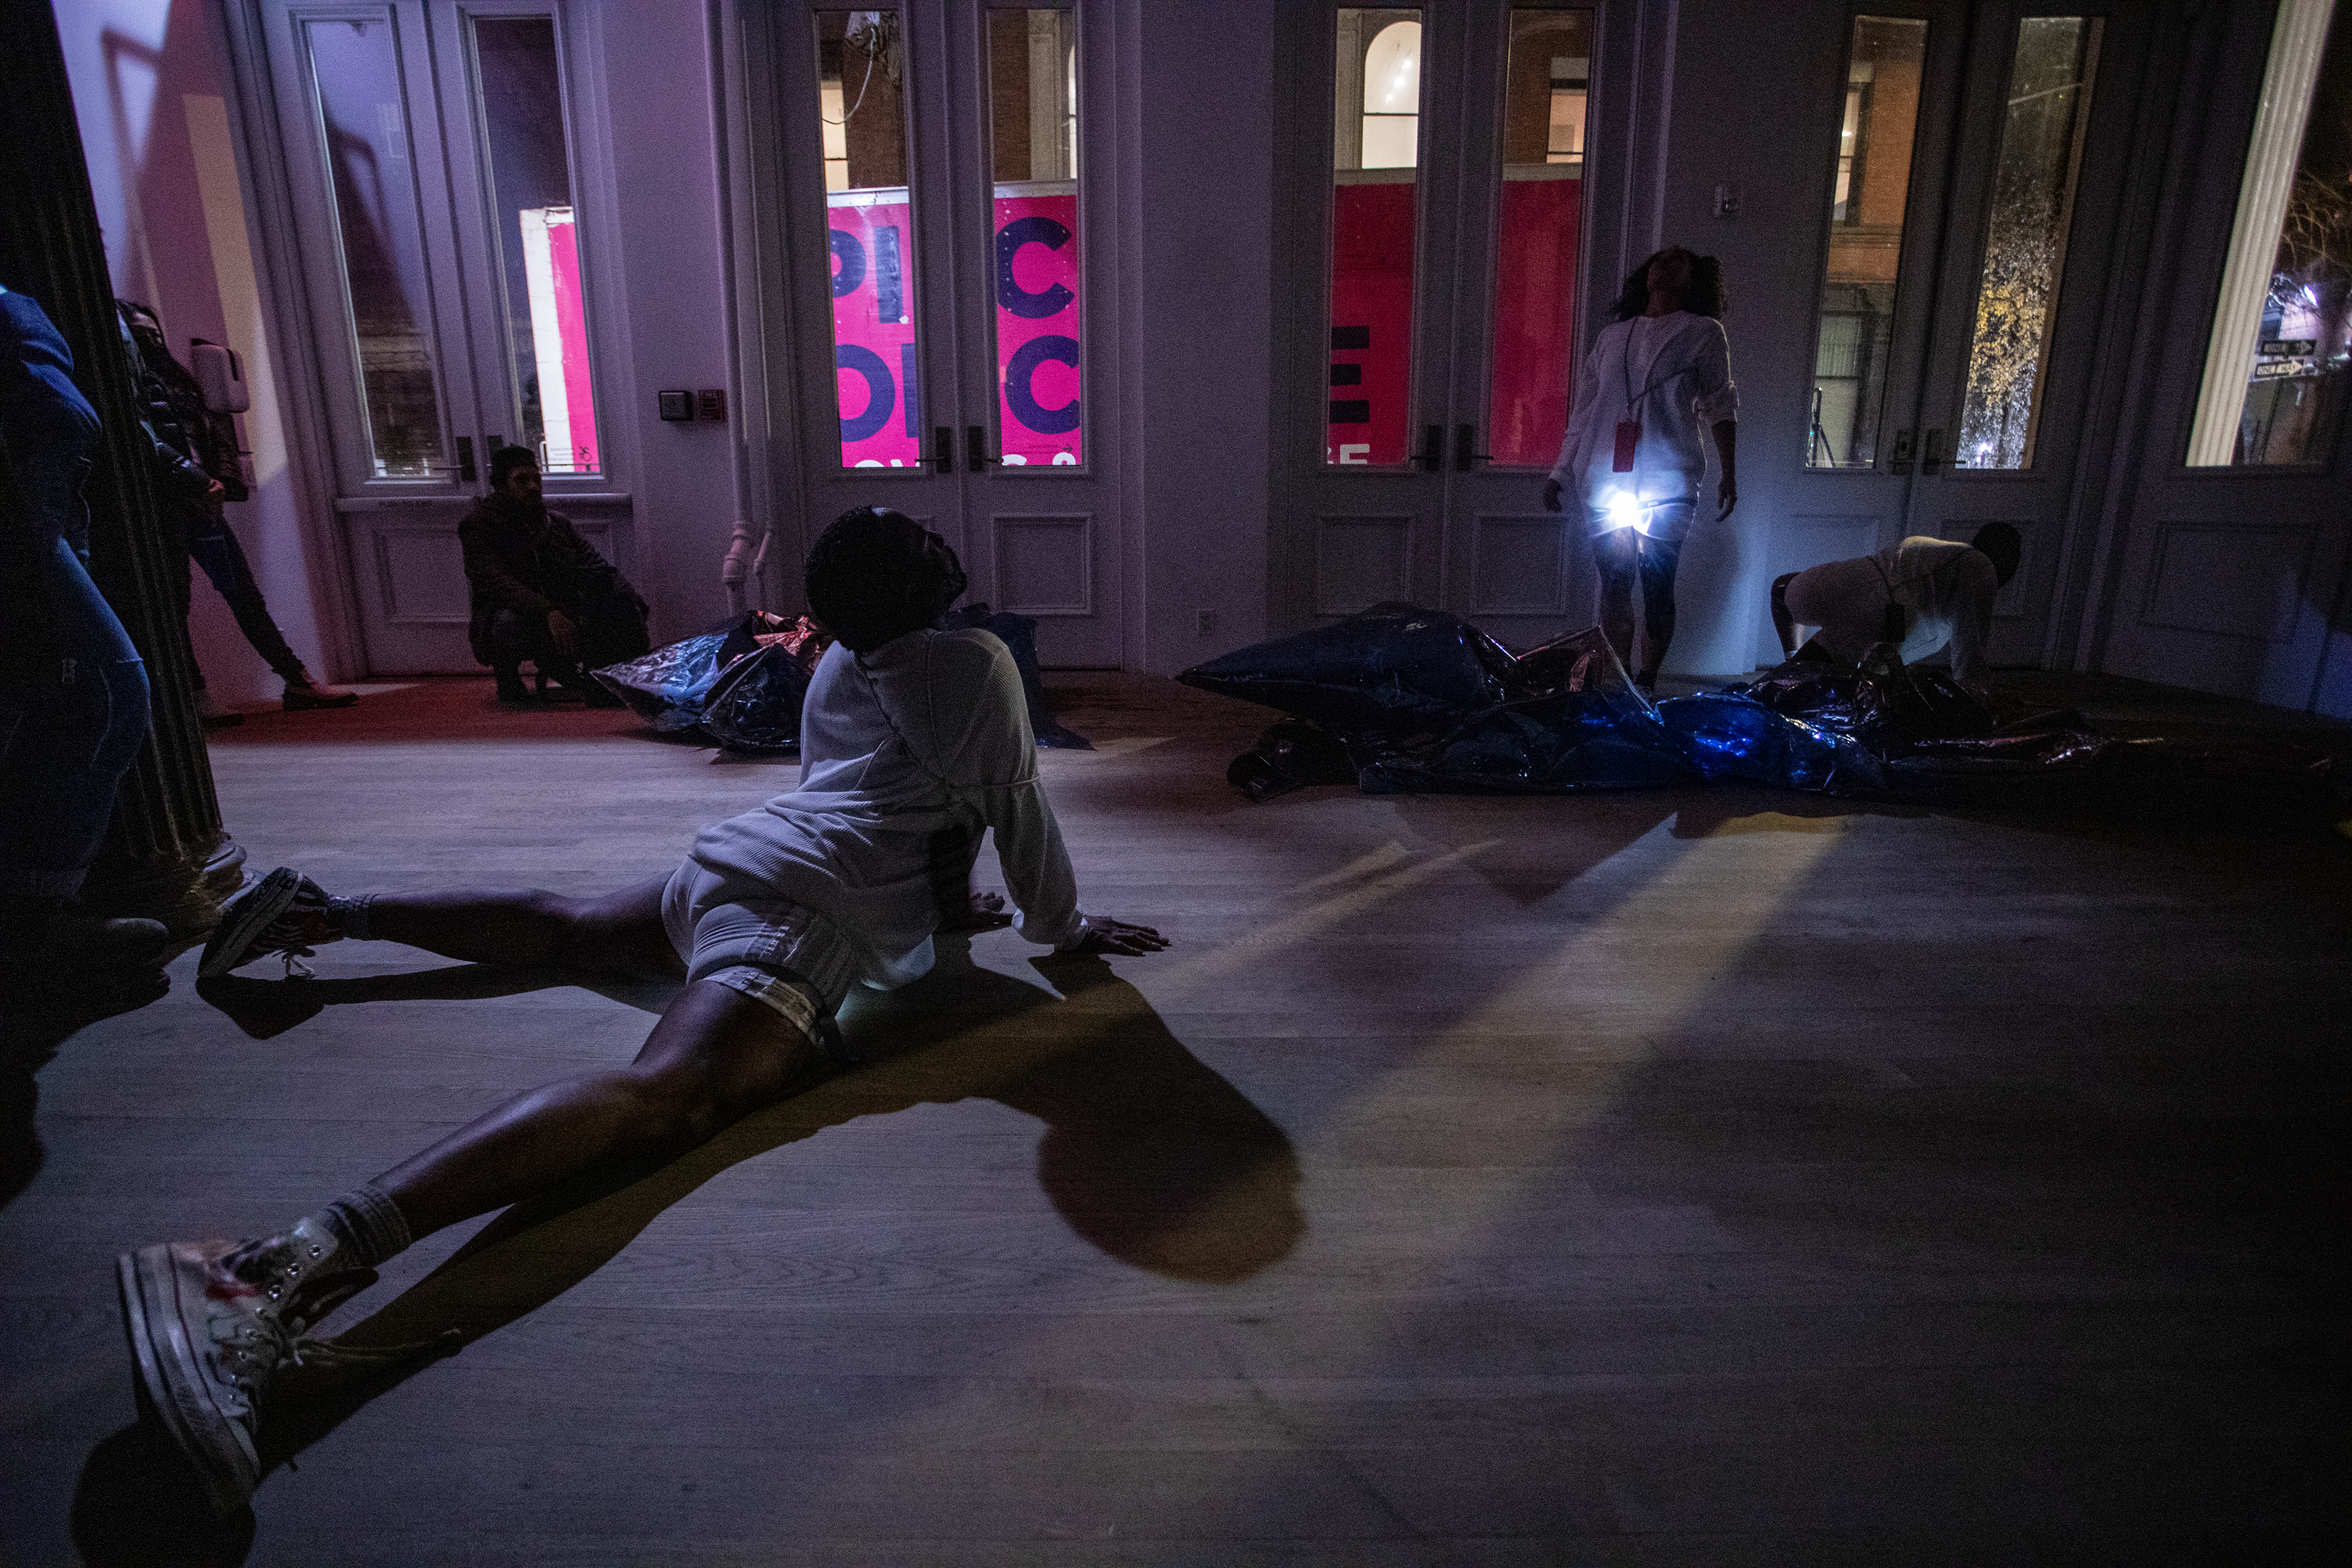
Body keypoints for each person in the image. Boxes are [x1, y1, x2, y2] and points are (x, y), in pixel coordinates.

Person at [120, 507, 1168, 1517]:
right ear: (917, 586)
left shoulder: (843, 660)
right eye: (920, 551)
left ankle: (327, 910)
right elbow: (1013, 806)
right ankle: (264, 1269)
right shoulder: (973, 660)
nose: (941, 555)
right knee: (672, 1096)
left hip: (741, 860)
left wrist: (940, 903)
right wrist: (1060, 931)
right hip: (804, 911)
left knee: (569, 926)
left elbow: (864, 787)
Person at [0, 287, 170, 983]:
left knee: (82, 695)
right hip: (27, 511)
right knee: (103, 691)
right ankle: (32, 926)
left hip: (46, 501)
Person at [117, 301, 355, 723]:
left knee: (243, 595)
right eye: (141, 335)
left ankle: (296, 679)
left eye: (155, 333)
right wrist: (194, 479)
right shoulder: (127, 381)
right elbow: (143, 438)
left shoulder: (176, 379)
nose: (151, 342)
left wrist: (220, 482)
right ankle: (195, 696)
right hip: (165, 504)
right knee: (175, 605)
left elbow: (211, 432)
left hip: (200, 501)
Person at [1542, 246, 1738, 695]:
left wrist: (1731, 473)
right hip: (1605, 480)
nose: (1664, 265)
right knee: (1614, 584)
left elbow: (1721, 404)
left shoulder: (1704, 333)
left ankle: (1646, 683)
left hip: (1668, 481)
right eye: (1659, 259)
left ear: (1695, 278)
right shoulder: (1614, 336)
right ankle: (1621, 682)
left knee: (1656, 590)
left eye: (1678, 261)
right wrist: (1559, 471)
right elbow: (1587, 407)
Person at [460, 446, 649, 706]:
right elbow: (494, 581)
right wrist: (548, 611)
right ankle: (508, 677)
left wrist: (629, 597)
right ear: (502, 486)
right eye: (521, 480)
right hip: (511, 610)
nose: (532, 487)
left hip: (562, 604)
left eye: (535, 479)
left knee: (620, 607)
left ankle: (600, 683)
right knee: (508, 625)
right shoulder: (479, 525)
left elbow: (594, 564)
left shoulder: (556, 522)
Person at [1770, 523, 2021, 698]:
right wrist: (1980, 702)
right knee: (1789, 691)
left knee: (1782, 589)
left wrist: (1793, 656)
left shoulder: (1939, 551)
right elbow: (1970, 661)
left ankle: (1789, 666)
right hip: (1883, 612)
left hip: (1849, 578)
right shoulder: (1982, 567)